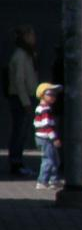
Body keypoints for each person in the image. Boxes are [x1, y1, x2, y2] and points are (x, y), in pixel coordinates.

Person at [7, 24, 38, 177]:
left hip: (26, 97)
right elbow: (19, 82)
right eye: (31, 35)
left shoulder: (27, 55)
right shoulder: (20, 56)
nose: (34, 39)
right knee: (19, 132)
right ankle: (16, 163)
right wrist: (26, 102)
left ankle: (18, 161)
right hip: (21, 99)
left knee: (22, 132)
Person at [33, 82, 61, 189]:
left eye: (55, 94)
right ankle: (42, 181)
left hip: (44, 137)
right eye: (50, 94)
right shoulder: (44, 109)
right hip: (45, 138)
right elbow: (46, 126)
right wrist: (54, 138)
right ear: (42, 95)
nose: (53, 96)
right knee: (48, 160)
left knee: (54, 159)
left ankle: (54, 180)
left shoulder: (45, 108)